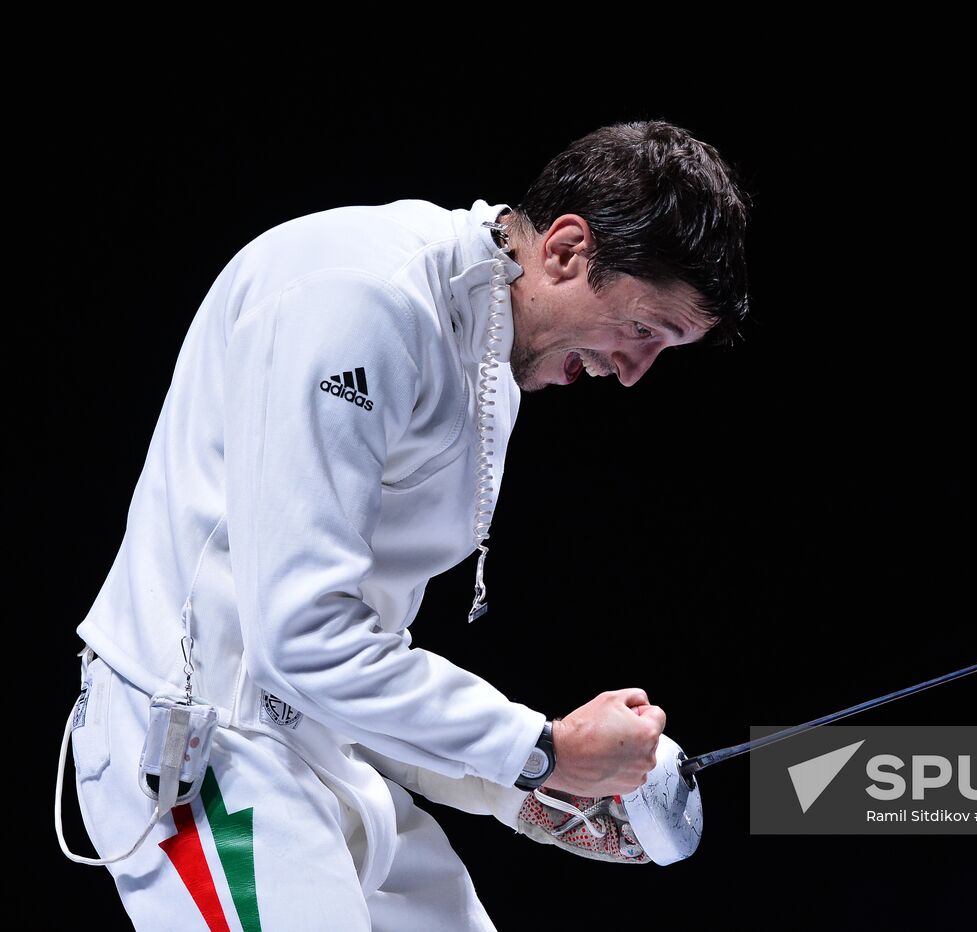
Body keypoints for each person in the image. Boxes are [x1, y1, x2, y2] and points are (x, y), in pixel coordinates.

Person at [56, 120, 751, 930]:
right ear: (565, 249)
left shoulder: (488, 362)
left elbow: (355, 656)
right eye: (642, 331)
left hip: (319, 754)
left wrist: (525, 785)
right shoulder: (362, 297)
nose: (633, 373)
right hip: (204, 755)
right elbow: (302, 640)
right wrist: (542, 751)